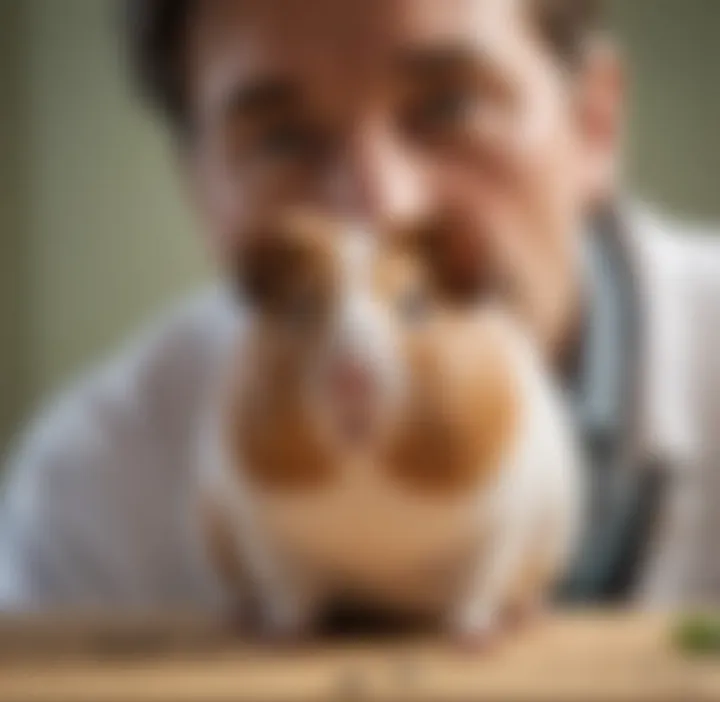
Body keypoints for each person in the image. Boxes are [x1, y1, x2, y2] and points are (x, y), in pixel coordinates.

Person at [1, 0, 718, 614]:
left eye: (450, 106)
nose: (377, 213)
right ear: (200, 188)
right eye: (281, 140)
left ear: (594, 122)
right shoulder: (92, 492)